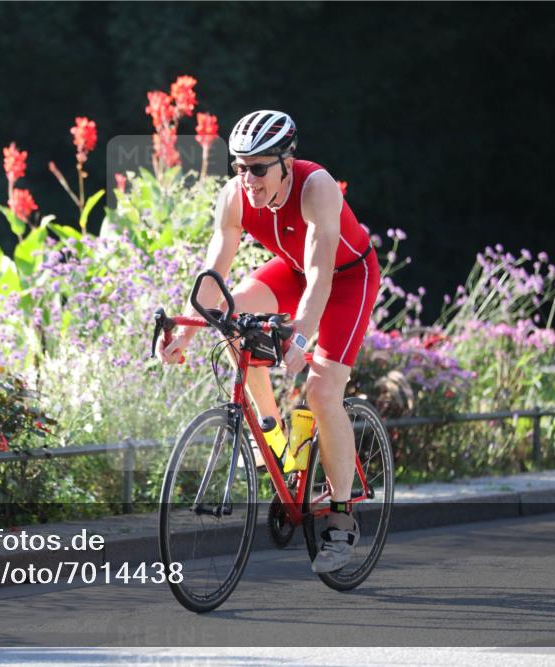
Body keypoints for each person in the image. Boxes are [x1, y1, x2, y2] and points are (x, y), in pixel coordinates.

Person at [156, 110, 381, 573]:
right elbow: (213, 275)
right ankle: (274, 439)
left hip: (347, 279)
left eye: (259, 167)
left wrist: (301, 335)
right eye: (240, 166)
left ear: (286, 161)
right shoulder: (235, 197)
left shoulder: (316, 187)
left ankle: (340, 519)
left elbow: (321, 277)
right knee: (231, 322)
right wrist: (187, 330)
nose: (249, 177)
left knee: (321, 392)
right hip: (293, 273)